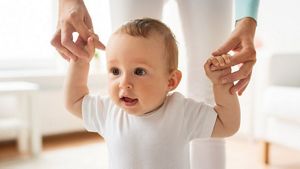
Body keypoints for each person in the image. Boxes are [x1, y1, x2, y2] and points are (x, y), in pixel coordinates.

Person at [64, 18, 240, 169]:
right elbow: (74, 101)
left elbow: (227, 124)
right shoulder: (108, 111)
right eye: (115, 71)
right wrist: (80, 63)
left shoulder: (180, 112)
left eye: (139, 71)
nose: (124, 83)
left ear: (170, 81)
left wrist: (221, 83)